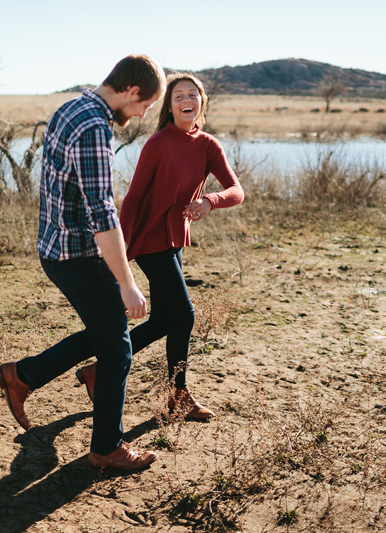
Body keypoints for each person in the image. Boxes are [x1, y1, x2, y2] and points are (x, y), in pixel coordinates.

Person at [0, 55, 166, 473]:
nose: (144, 114)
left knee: (108, 334)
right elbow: (103, 213)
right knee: (118, 349)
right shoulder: (93, 127)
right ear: (131, 91)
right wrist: (126, 283)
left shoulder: (74, 106)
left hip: (59, 249)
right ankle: (107, 448)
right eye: (146, 105)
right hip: (77, 255)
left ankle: (23, 376)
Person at [74, 72, 244, 421]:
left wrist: (209, 201)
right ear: (169, 105)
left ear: (201, 103)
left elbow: (236, 190)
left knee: (165, 320)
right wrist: (118, 250)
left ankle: (97, 372)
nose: (186, 100)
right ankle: (177, 395)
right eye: (178, 95)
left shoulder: (209, 145)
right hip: (150, 239)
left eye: (193, 95)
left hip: (174, 239)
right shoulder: (158, 143)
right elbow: (134, 198)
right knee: (185, 315)